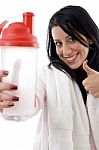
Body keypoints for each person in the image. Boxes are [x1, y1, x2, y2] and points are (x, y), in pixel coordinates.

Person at [0, 5, 99, 150]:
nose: (65, 51)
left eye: (71, 39)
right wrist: (8, 97)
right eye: (58, 43)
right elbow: (23, 110)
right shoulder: (47, 76)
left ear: (89, 37)